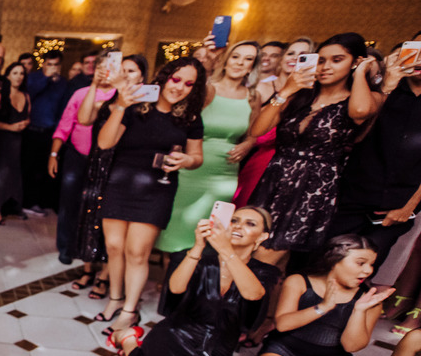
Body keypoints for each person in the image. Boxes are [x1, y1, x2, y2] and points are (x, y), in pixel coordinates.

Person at [110, 209, 278, 356]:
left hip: (218, 349)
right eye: (234, 220)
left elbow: (253, 294)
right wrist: (198, 246)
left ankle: (140, 352)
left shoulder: (265, 272)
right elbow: (176, 288)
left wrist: (227, 251)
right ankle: (128, 340)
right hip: (177, 335)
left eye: (250, 224)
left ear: (262, 237)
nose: (239, 226)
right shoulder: (201, 260)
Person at [249, 34, 384, 268]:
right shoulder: (301, 95)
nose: (325, 67)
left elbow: (360, 112)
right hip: (274, 181)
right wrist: (285, 92)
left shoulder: (367, 98)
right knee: (256, 255)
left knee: (264, 258)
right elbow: (257, 130)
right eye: (321, 60)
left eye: (337, 60)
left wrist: (361, 73)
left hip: (311, 190)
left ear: (355, 62)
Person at [96, 58, 207, 333]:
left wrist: (186, 160)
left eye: (189, 84)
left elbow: (197, 157)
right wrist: (121, 105)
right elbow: (105, 143)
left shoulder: (190, 117)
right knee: (114, 246)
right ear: (164, 77)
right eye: (176, 79)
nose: (179, 87)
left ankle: (129, 310)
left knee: (137, 252)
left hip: (158, 188)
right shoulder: (136, 106)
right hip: (120, 183)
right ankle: (115, 298)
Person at [249, 235, 393, 356]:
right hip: (285, 349)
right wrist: (323, 307)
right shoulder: (299, 281)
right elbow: (283, 325)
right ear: (334, 260)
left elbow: (351, 346)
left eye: (371, 264)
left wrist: (359, 311)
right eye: (360, 263)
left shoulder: (369, 301)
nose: (368, 271)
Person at [330, 35, 421, 274]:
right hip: (352, 195)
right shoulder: (380, 87)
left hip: (399, 204)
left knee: (362, 271)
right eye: (417, 49)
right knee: (326, 261)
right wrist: (386, 87)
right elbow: (356, 135)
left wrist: (409, 206)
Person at [158, 40, 260, 252]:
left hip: (224, 173)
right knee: (178, 224)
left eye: (248, 59)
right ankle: (171, 271)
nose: (240, 63)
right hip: (192, 166)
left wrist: (248, 144)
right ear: (226, 61)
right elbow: (185, 121)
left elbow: (253, 134)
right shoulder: (207, 89)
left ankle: (194, 270)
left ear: (253, 66)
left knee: (208, 228)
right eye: (235, 57)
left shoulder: (253, 96)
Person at [67, 54, 149, 298]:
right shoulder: (106, 102)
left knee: (113, 231)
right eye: (122, 70)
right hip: (96, 167)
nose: (125, 75)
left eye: (131, 71)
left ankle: (104, 276)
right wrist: (95, 83)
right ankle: (88, 269)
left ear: (142, 77)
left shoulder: (144, 107)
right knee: (89, 220)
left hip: (122, 172)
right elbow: (83, 119)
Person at [235, 38, 315, 207]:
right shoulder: (262, 88)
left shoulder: (311, 95)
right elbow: (250, 127)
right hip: (255, 156)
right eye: (291, 53)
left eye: (303, 55)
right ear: (283, 57)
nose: (295, 58)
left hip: (292, 166)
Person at [24, 50, 68, 214]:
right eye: (49, 64)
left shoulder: (63, 83)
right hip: (31, 130)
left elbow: (63, 108)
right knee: (29, 168)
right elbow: (29, 94)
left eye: (56, 65)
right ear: (43, 64)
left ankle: (39, 203)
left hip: (50, 132)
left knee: (45, 169)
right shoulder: (33, 78)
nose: (52, 68)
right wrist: (45, 78)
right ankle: (27, 202)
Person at [0, 61, 29, 226]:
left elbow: (28, 116)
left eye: (22, 73)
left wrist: (25, 123)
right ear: (8, 75)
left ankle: (6, 207)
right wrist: (11, 127)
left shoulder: (26, 96)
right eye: (15, 73)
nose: (19, 76)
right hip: (2, 140)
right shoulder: (1, 94)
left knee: (12, 176)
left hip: (17, 142)